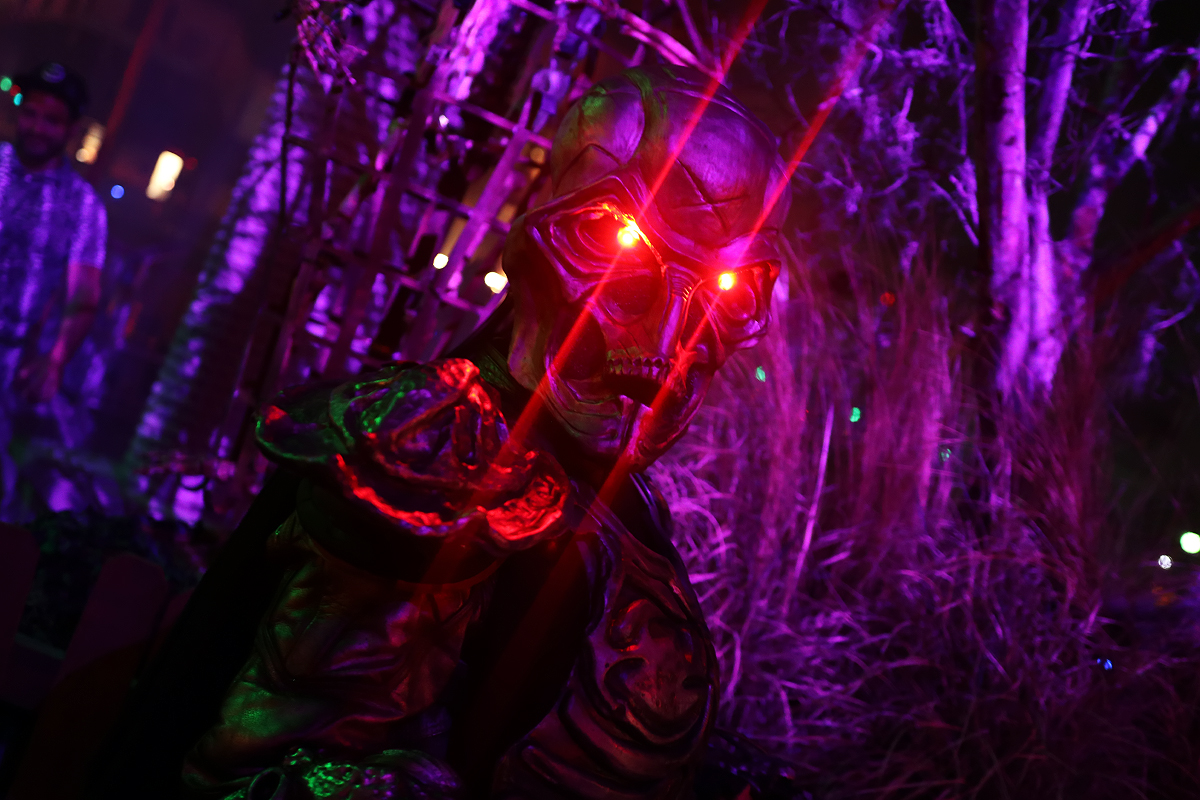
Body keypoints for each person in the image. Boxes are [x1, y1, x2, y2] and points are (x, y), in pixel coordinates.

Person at [89, 66, 797, 799]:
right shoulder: (437, 452)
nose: (672, 335)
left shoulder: (622, 498)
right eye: (615, 244)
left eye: (728, 290)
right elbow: (268, 769)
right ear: (536, 240)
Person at [0, 62, 106, 517]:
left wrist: (55, 360)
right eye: (31, 113)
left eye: (52, 120)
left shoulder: (83, 206)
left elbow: (84, 297)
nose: (37, 127)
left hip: (8, 360)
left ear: (70, 129)